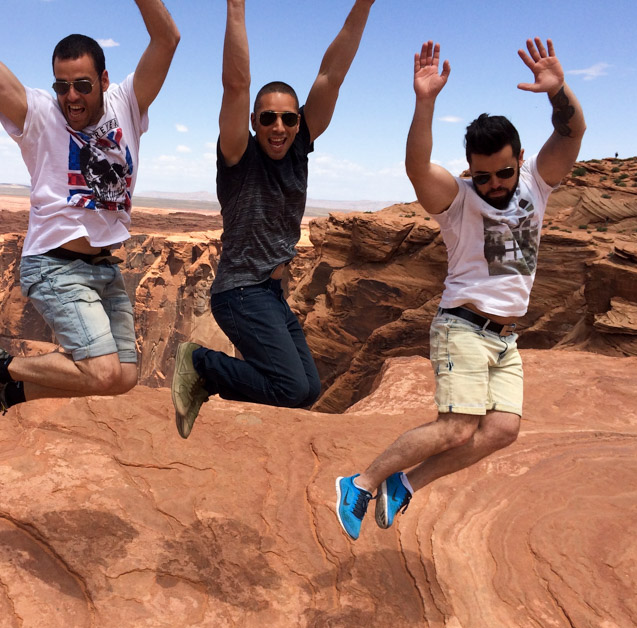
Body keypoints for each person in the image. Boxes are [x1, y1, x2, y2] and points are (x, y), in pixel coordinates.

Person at [336, 38, 586, 539]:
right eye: (483, 175)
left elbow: (571, 130)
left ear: (520, 159)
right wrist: (424, 102)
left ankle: (404, 483)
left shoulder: (537, 183)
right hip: (464, 328)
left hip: (505, 339)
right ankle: (360, 483)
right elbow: (417, 168)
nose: (495, 184)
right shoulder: (459, 200)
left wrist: (558, 92)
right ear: (470, 168)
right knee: (456, 426)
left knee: (502, 430)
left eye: (504, 172)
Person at [0, 0, 179, 434]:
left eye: (82, 85)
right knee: (101, 371)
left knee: (123, 378)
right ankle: (2, 367)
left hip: (104, 268)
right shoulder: (38, 113)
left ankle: (10, 393)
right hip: (54, 265)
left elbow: (167, 38)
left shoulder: (127, 103)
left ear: (104, 80)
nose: (71, 96)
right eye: (62, 86)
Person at [170, 0, 376, 439]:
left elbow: (332, 75)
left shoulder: (299, 148)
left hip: (270, 293)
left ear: (299, 121)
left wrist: (363, 6)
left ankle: (209, 380)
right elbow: (236, 83)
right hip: (240, 292)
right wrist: (236, 9)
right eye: (268, 118)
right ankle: (199, 362)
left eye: (287, 118)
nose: (278, 127)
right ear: (254, 121)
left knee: (308, 390)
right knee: (289, 388)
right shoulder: (238, 155)